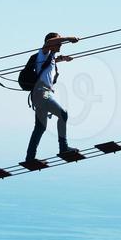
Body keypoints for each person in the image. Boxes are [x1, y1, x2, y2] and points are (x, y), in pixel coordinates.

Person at [26, 32, 82, 162]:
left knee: (40, 127)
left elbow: (51, 61)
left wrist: (63, 59)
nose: (61, 45)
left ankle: (30, 157)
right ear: (52, 43)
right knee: (63, 114)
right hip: (43, 93)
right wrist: (69, 38)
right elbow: (49, 42)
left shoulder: (49, 57)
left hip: (40, 94)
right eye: (59, 43)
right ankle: (63, 147)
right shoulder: (43, 52)